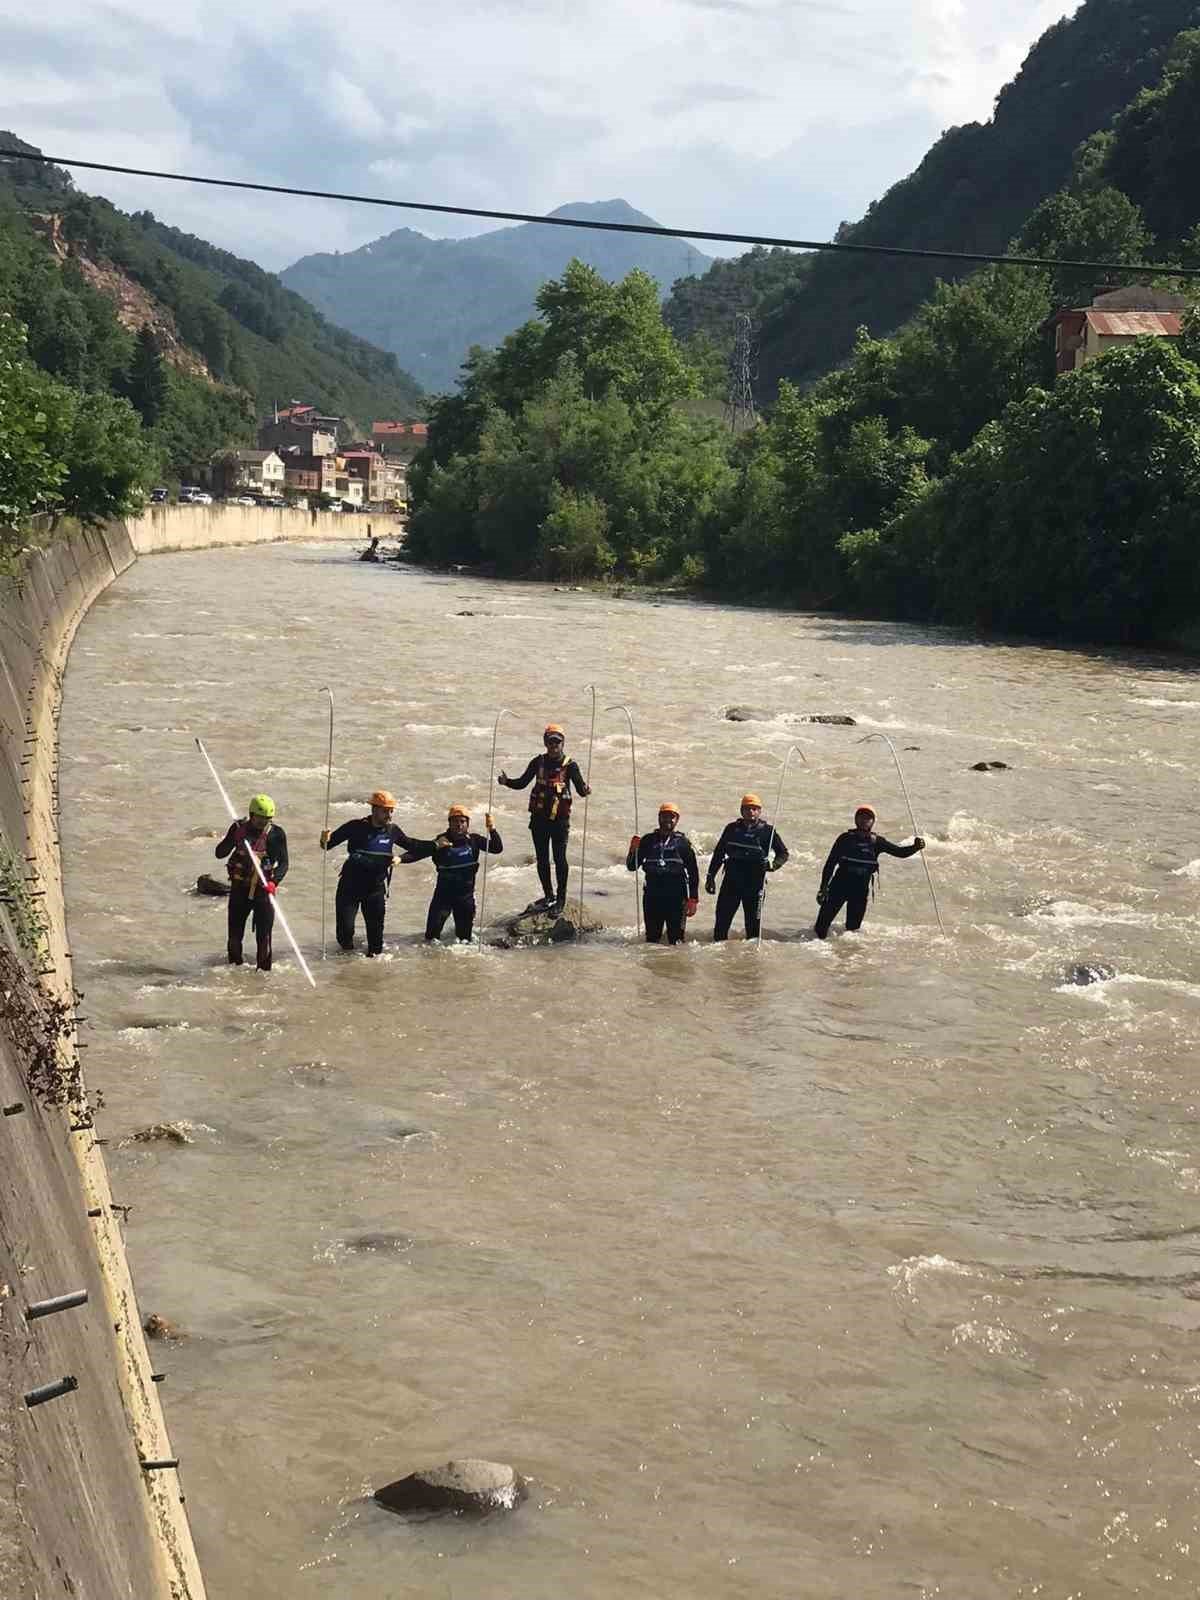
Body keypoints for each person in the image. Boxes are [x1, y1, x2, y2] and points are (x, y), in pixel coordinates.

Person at [497, 724, 590, 912]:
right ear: (545, 742)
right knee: (542, 859)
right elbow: (522, 783)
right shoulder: (537, 762)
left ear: (563, 743)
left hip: (560, 821)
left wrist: (586, 790)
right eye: (550, 741)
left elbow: (580, 790)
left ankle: (561, 899)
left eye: (557, 741)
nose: (554, 745)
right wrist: (507, 782)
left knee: (560, 858)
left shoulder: (571, 765)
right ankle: (549, 895)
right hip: (539, 820)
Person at [320, 790, 412, 956]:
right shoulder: (355, 826)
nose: (389, 815)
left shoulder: (393, 831)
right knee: (344, 934)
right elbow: (327, 845)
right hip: (349, 888)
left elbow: (414, 847)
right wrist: (324, 839)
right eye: (385, 811)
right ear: (374, 809)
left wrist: (402, 858)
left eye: (391, 811)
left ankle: (372, 975)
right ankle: (347, 966)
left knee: (376, 945)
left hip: (375, 891)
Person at [814, 805, 925, 939]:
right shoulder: (845, 839)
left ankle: (846, 958)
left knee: (852, 933)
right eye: (861, 817)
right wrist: (823, 888)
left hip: (859, 892)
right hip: (838, 888)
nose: (864, 820)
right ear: (856, 819)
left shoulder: (877, 842)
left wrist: (916, 847)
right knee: (820, 929)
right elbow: (830, 864)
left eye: (868, 817)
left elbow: (899, 852)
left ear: (873, 821)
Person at [401, 804, 502, 943]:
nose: (459, 825)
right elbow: (419, 853)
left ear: (467, 823)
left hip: (465, 898)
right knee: (430, 938)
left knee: (464, 940)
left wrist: (492, 829)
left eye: (462, 821)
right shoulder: (441, 841)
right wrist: (399, 859)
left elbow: (497, 848)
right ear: (449, 823)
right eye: (455, 821)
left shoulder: (474, 840)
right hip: (443, 897)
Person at [215, 794, 288, 970]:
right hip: (240, 890)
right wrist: (234, 837)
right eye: (260, 818)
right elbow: (219, 853)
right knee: (234, 938)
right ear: (251, 815)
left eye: (267, 819)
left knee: (264, 941)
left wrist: (274, 882)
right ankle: (234, 972)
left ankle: (263, 978)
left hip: (263, 892)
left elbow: (284, 864)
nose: (263, 822)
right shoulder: (238, 829)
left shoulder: (276, 834)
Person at [705, 793, 789, 941]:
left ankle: (750, 959)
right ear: (741, 810)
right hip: (731, 882)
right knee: (721, 924)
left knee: (753, 928)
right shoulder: (731, 829)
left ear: (759, 811)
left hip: (755, 885)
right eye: (747, 808)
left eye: (754, 808)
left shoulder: (768, 831)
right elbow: (719, 853)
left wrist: (773, 865)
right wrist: (711, 876)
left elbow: (783, 853)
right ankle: (719, 955)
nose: (751, 812)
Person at [626, 802, 699, 945]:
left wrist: (693, 899)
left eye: (672, 817)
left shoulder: (683, 843)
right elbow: (631, 867)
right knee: (652, 941)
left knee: (676, 941)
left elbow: (693, 873)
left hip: (677, 899)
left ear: (677, 820)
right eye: (664, 816)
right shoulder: (648, 840)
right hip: (653, 898)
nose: (668, 820)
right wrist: (632, 849)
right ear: (659, 818)